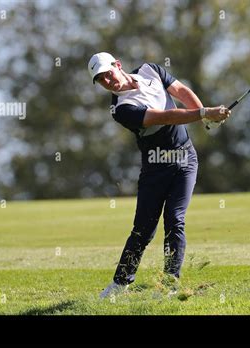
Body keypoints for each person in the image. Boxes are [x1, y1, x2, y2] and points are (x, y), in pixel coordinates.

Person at [89, 52, 230, 298]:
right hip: (155, 169)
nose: (107, 81)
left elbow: (181, 91)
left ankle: (169, 284)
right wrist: (205, 113)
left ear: (118, 65)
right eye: (101, 80)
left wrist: (204, 116)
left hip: (185, 159)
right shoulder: (121, 109)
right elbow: (164, 117)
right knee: (143, 230)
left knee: (175, 220)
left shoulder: (150, 69)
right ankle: (120, 284)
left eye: (108, 74)